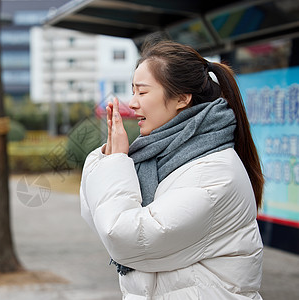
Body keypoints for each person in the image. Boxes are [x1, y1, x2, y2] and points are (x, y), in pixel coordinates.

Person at [80, 40, 264, 299]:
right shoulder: (159, 154)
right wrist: (108, 159)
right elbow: (98, 217)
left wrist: (116, 163)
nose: (132, 103)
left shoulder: (214, 173)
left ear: (181, 98)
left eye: (142, 93)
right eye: (133, 92)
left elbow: (123, 238)